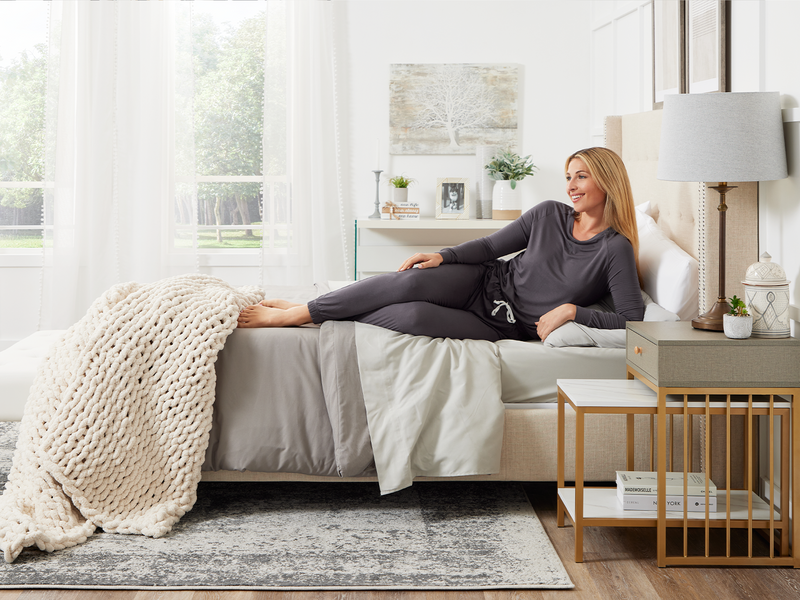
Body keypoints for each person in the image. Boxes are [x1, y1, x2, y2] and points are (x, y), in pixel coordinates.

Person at [237, 147, 644, 342]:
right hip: (482, 281)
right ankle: (293, 315)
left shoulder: (615, 249)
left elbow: (633, 320)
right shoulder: (548, 214)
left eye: (582, 177)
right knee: (411, 281)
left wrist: (575, 311)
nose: (571, 186)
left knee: (413, 318)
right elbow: (490, 247)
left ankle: (315, 313)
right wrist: (443, 255)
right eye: (569, 176)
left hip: (504, 324)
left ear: (607, 180)